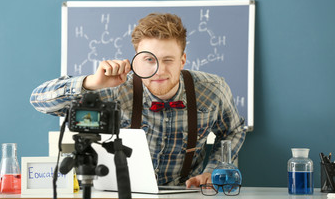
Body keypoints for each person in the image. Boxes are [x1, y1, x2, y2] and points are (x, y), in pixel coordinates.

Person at [30, 13, 246, 188]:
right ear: (136, 61)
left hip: (186, 193)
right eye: (149, 60)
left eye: (168, 60)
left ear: (183, 61)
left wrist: (213, 169)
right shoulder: (115, 89)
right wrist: (91, 83)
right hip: (123, 193)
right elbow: (38, 101)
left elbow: (234, 129)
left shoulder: (213, 89)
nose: (159, 70)